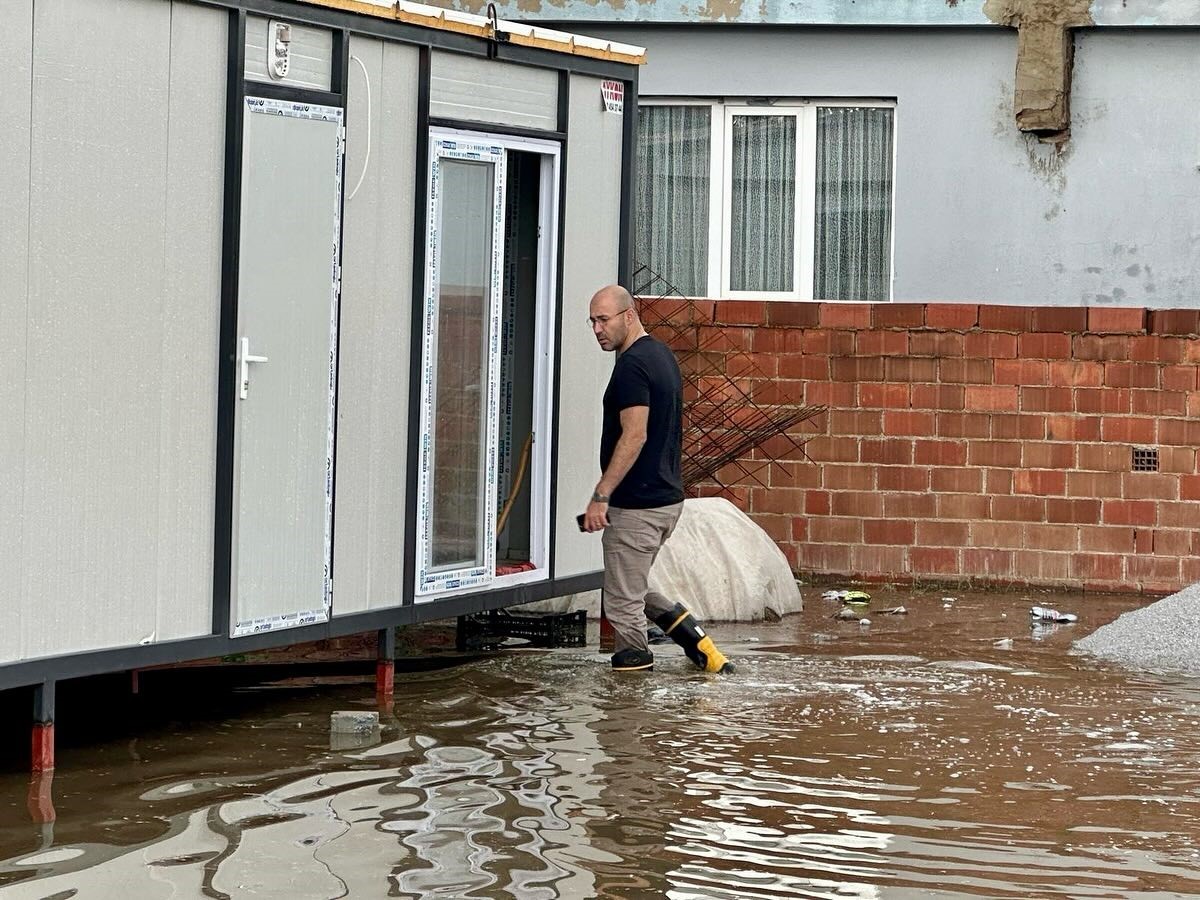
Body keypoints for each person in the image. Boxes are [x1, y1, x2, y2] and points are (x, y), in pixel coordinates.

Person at [582, 284, 734, 674]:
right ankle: (698, 644)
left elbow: (635, 434)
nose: (597, 329)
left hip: (638, 505)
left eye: (604, 319)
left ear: (628, 315)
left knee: (620, 602)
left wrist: (602, 495)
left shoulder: (632, 365)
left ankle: (628, 706)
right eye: (592, 321)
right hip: (665, 500)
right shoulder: (660, 354)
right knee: (629, 587)